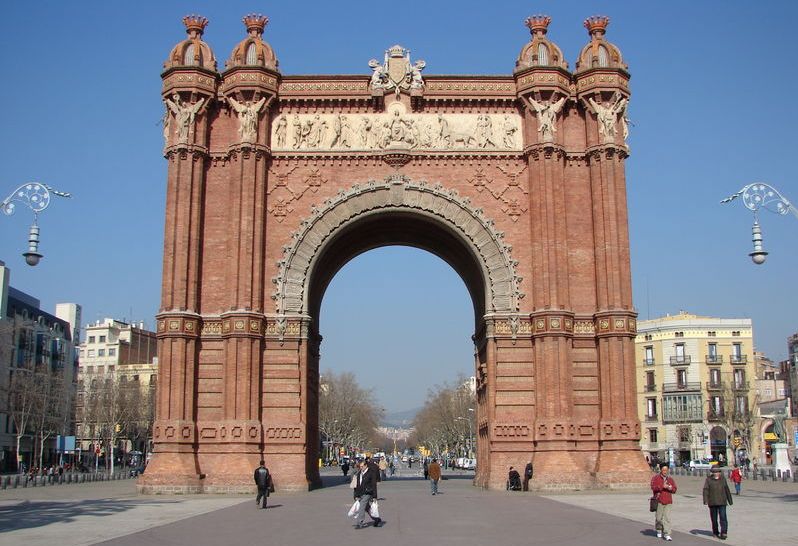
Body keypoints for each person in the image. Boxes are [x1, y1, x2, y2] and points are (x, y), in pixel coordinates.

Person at [703, 466, 733, 540]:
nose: (716, 473)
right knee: (714, 519)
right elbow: (705, 490)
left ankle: (724, 532)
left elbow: (726, 489)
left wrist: (730, 500)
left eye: (717, 472)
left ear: (720, 472)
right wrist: (705, 500)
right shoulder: (708, 479)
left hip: (722, 501)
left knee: (723, 517)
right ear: (712, 473)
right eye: (714, 472)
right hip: (712, 502)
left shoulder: (723, 479)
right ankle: (715, 532)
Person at [651, 462, 677, 541]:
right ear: (661, 470)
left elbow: (675, 489)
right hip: (659, 500)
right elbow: (653, 487)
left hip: (668, 501)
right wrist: (662, 486)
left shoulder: (670, 479)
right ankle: (659, 530)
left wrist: (671, 488)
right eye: (663, 470)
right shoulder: (656, 478)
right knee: (659, 518)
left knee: (667, 518)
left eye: (666, 470)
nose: (665, 472)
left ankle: (667, 533)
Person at [353, 460, 383, 529]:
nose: (361, 468)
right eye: (360, 466)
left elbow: (374, 485)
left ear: (366, 466)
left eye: (362, 466)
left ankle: (359, 523)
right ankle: (377, 519)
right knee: (367, 508)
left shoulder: (371, 473)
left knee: (362, 506)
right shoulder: (359, 473)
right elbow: (357, 485)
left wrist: (375, 496)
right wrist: (356, 495)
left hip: (368, 493)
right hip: (360, 493)